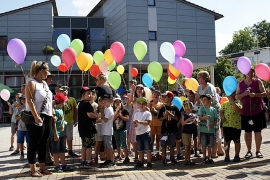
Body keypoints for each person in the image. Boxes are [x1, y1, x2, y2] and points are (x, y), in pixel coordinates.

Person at [25, 61, 53, 177]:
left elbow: (48, 99)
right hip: (35, 116)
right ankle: (32, 169)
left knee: (44, 142)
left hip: (47, 116)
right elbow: (29, 100)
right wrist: (36, 116)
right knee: (34, 143)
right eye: (47, 70)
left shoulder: (44, 84)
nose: (48, 73)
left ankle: (42, 167)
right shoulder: (31, 83)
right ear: (41, 70)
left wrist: (52, 114)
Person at [235, 68, 266, 158]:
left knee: (257, 132)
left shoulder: (258, 82)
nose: (250, 74)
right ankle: (249, 151)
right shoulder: (240, 83)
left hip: (257, 111)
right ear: (245, 73)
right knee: (247, 132)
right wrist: (244, 94)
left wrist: (255, 94)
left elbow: (264, 93)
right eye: (249, 72)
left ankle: (258, 151)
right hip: (245, 112)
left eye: (252, 72)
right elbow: (236, 96)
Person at [196, 71, 224, 158]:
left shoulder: (210, 88)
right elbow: (198, 100)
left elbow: (211, 101)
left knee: (215, 130)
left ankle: (214, 153)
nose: (198, 79)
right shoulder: (199, 88)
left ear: (204, 79)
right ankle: (219, 149)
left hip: (214, 109)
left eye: (199, 77)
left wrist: (206, 109)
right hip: (205, 109)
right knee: (207, 130)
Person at [51, 93, 72, 173]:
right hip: (56, 134)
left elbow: (62, 122)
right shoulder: (55, 111)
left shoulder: (60, 110)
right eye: (64, 101)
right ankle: (57, 165)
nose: (65, 103)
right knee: (56, 151)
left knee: (62, 150)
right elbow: (53, 124)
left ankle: (63, 164)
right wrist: (55, 134)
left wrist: (64, 132)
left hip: (62, 134)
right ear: (61, 102)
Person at [158, 91, 180, 165]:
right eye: (163, 97)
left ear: (170, 98)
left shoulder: (175, 108)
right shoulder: (162, 108)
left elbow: (177, 118)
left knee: (172, 145)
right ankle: (164, 159)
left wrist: (170, 114)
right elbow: (159, 118)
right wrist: (164, 117)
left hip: (172, 129)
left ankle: (172, 158)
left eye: (165, 97)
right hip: (164, 129)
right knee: (163, 145)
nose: (164, 98)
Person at [78, 87, 97, 168]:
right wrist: (97, 115)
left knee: (84, 145)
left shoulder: (80, 104)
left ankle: (83, 160)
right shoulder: (86, 104)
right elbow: (89, 114)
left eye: (91, 93)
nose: (90, 95)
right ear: (83, 95)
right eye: (88, 94)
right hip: (88, 128)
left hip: (82, 128)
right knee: (89, 146)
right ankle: (88, 161)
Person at [220, 92, 242, 162]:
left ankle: (237, 155)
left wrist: (232, 101)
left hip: (236, 126)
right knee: (227, 142)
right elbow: (221, 111)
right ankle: (227, 156)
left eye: (233, 94)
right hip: (227, 126)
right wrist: (222, 117)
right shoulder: (225, 103)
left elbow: (238, 109)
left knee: (237, 141)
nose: (231, 95)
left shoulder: (239, 102)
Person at [198, 94, 218, 164]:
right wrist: (205, 117)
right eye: (202, 100)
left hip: (211, 130)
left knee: (210, 144)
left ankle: (209, 157)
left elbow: (216, 120)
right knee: (204, 144)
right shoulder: (201, 108)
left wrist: (212, 124)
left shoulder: (214, 110)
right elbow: (199, 118)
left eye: (205, 100)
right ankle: (204, 157)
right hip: (203, 130)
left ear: (210, 100)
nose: (203, 101)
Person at [128, 84, 146, 162]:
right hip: (135, 120)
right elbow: (130, 101)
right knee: (134, 140)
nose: (139, 90)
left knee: (142, 138)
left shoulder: (144, 99)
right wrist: (132, 90)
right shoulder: (135, 99)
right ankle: (136, 155)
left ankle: (141, 156)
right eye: (138, 89)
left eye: (141, 89)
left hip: (142, 120)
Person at [59, 85, 78, 157]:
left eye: (63, 90)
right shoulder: (59, 99)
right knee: (62, 136)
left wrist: (76, 119)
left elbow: (75, 110)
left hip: (69, 121)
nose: (62, 92)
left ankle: (70, 151)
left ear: (67, 91)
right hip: (61, 121)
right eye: (61, 91)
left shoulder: (72, 99)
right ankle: (62, 150)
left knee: (70, 137)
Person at [133, 97, 152, 168]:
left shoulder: (148, 113)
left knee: (148, 148)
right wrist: (134, 124)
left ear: (146, 105)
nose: (141, 105)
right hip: (138, 133)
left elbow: (148, 122)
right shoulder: (136, 113)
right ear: (138, 105)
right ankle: (141, 161)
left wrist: (139, 122)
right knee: (140, 149)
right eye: (140, 104)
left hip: (145, 133)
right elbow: (134, 123)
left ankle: (149, 162)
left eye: (143, 104)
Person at [112, 97, 130, 163]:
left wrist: (121, 116)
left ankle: (126, 157)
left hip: (123, 129)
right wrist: (117, 113)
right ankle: (119, 155)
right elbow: (112, 119)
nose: (117, 104)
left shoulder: (124, 111)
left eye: (118, 102)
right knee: (117, 143)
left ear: (121, 103)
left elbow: (127, 119)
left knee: (124, 143)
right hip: (115, 129)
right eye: (116, 102)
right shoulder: (113, 111)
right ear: (113, 104)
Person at [100, 93, 115, 167]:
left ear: (110, 101)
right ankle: (108, 159)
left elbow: (105, 119)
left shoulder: (109, 109)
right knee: (106, 146)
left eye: (106, 100)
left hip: (108, 130)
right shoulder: (106, 108)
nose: (104, 101)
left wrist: (102, 112)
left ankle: (112, 160)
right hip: (105, 130)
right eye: (104, 99)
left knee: (109, 146)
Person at [180, 101, 196, 165]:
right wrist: (187, 120)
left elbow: (196, 123)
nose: (187, 106)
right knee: (187, 147)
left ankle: (189, 159)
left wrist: (194, 119)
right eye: (186, 105)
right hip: (185, 133)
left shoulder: (192, 115)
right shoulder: (183, 115)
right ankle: (186, 160)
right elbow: (182, 124)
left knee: (190, 147)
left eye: (189, 105)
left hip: (190, 133)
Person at [149, 90, 162, 160]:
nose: (156, 96)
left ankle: (158, 153)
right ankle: (151, 153)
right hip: (151, 124)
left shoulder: (161, 104)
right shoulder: (149, 104)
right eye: (154, 94)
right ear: (152, 96)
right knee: (152, 139)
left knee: (158, 140)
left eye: (157, 95)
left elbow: (161, 113)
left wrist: (155, 111)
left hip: (159, 124)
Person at [15, 95, 27, 160]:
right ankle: (22, 153)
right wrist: (21, 114)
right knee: (20, 141)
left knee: (29, 142)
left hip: (28, 127)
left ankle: (29, 154)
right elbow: (16, 117)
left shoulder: (30, 107)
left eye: (24, 99)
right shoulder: (20, 108)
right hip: (21, 128)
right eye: (22, 99)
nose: (23, 100)